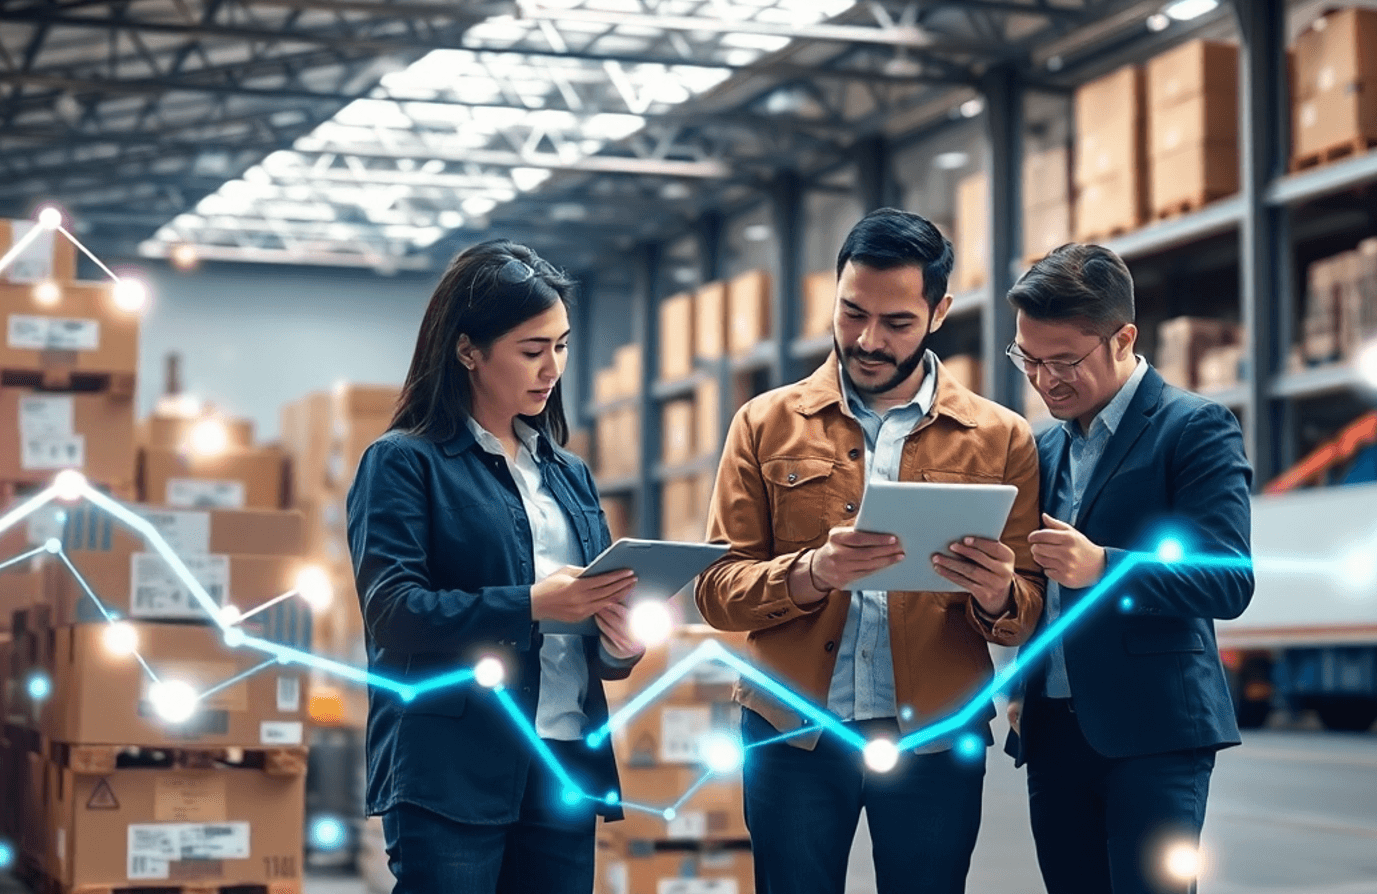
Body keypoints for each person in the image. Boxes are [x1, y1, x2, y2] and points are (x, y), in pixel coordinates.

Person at [694, 209, 1045, 894]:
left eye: (896, 323)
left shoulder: (1002, 440)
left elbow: (1030, 610)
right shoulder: (763, 425)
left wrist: (1000, 595)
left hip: (936, 738)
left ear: (939, 311)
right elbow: (716, 590)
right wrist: (811, 572)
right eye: (852, 313)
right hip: (791, 732)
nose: (868, 340)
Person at [347, 239, 645, 894]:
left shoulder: (570, 476)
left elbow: (586, 632)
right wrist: (533, 604)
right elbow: (394, 615)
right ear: (467, 350)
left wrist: (620, 646)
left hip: (564, 764)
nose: (552, 368)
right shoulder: (404, 463)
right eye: (532, 351)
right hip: (452, 772)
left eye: (561, 346)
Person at [986, 242, 1253, 894]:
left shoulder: (1193, 428)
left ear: (1124, 337)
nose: (1046, 380)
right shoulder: (1039, 446)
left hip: (1154, 736)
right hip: (1051, 733)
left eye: (1064, 362)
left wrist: (1104, 566)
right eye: (1030, 360)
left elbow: (1228, 578)